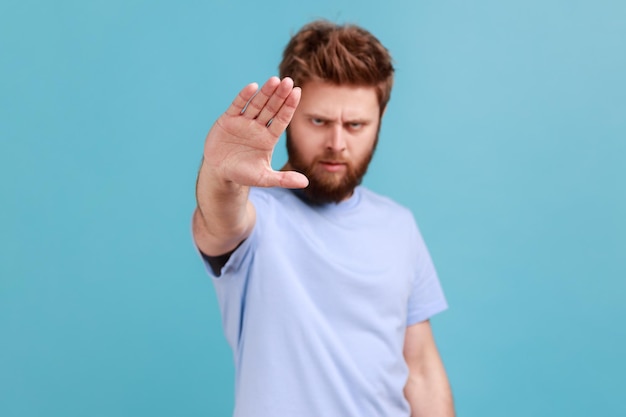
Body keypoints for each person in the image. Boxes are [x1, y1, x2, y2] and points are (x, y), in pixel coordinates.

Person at [192, 20, 455, 417]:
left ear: (379, 122)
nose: (337, 143)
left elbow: (420, 370)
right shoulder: (256, 216)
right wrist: (219, 173)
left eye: (355, 125)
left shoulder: (399, 226)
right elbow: (218, 219)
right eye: (318, 121)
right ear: (287, 117)